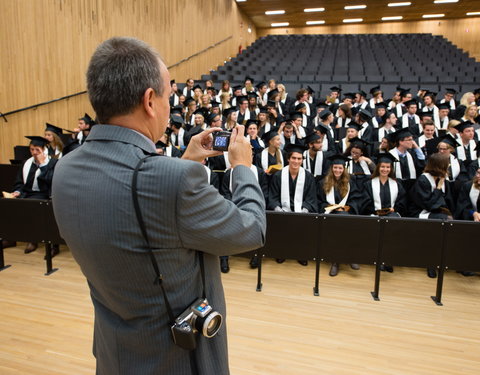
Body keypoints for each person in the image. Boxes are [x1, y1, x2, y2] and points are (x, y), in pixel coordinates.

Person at [51, 37, 266, 375]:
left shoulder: (65, 170)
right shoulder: (172, 181)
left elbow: (140, 215)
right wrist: (242, 166)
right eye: (168, 94)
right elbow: (251, 229)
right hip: (174, 359)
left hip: (116, 353)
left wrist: (187, 160)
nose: (171, 104)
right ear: (150, 101)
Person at [6, 136, 59, 254]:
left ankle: (37, 241)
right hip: (27, 193)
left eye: (37, 150)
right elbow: (20, 181)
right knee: (8, 205)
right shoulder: (27, 163)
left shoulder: (53, 163)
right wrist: (17, 191)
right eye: (31, 149)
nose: (34, 153)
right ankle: (10, 238)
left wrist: (42, 165)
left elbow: (51, 182)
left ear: (44, 149)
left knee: (31, 206)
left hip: (45, 194)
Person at [316, 154, 361, 276]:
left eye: (340, 168)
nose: (337, 170)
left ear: (344, 169)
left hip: (346, 214)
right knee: (340, 223)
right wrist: (332, 208)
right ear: (331, 168)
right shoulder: (323, 183)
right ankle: (348, 257)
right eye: (335, 167)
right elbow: (319, 201)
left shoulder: (350, 182)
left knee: (343, 221)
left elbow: (356, 199)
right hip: (329, 215)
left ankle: (336, 262)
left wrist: (347, 208)